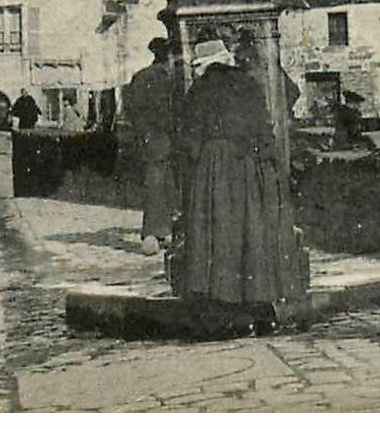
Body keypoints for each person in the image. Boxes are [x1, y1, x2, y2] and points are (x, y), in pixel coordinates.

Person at [178, 39, 303, 334]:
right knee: (252, 234)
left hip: (216, 166)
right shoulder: (249, 84)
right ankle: (261, 310)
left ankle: (225, 313)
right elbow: (264, 127)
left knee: (219, 237)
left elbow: (191, 136)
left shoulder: (200, 90)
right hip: (250, 164)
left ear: (205, 65)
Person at [124, 37, 181, 254]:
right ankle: (154, 233)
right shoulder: (170, 78)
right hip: (165, 138)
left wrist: (142, 134)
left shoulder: (140, 77)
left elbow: (131, 110)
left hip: (148, 139)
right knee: (163, 184)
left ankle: (158, 232)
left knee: (156, 185)